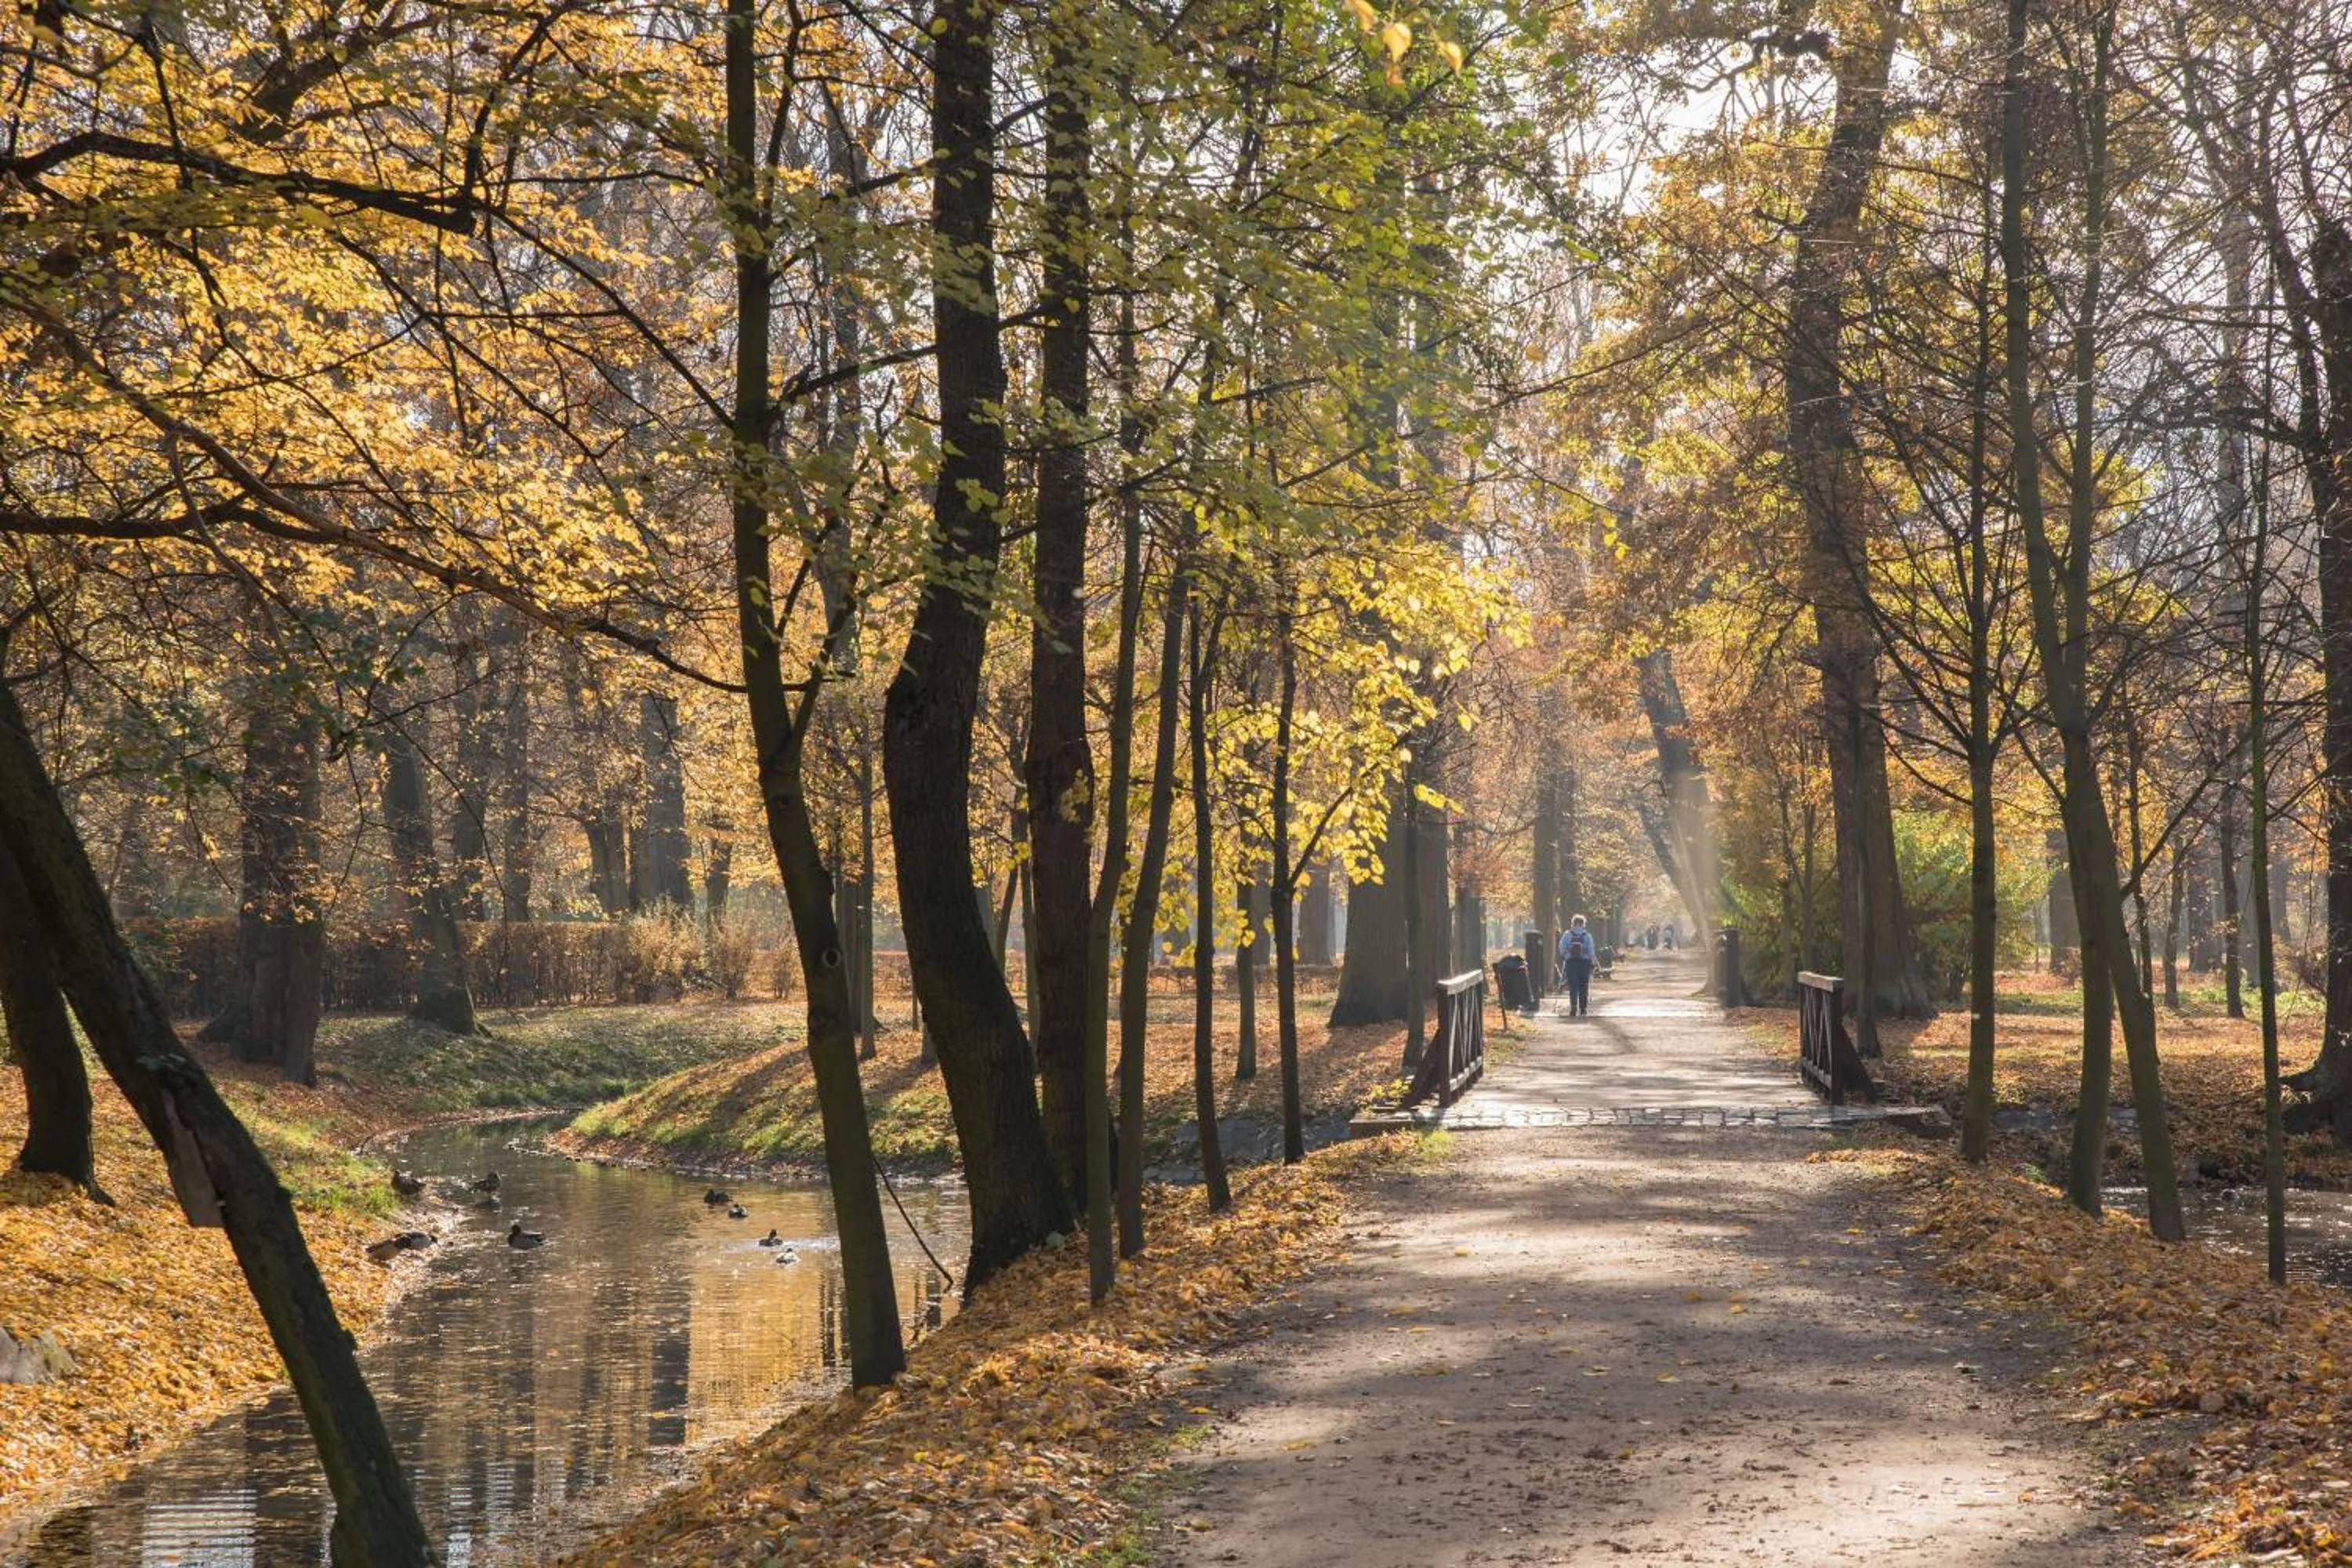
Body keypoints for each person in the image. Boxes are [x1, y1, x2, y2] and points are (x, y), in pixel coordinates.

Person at [1559, 914, 1596, 1017]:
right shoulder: (1587, 935)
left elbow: (1562, 948)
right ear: (1583, 924)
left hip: (1571, 962)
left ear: (1573, 923)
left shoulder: (1567, 934)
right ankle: (1583, 1008)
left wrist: (1567, 956)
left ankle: (1573, 1006)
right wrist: (1592, 962)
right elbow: (1591, 951)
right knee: (1583, 986)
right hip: (1584, 963)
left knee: (1573, 985)